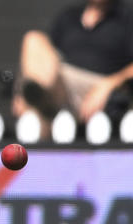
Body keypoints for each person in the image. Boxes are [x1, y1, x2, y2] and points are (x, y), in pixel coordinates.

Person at [13, 0, 133, 128]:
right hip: (60, 84)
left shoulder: (126, 17)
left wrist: (109, 84)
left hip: (99, 85)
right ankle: (31, 96)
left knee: (36, 104)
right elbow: (44, 58)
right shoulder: (69, 16)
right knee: (33, 38)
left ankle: (33, 98)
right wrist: (20, 93)